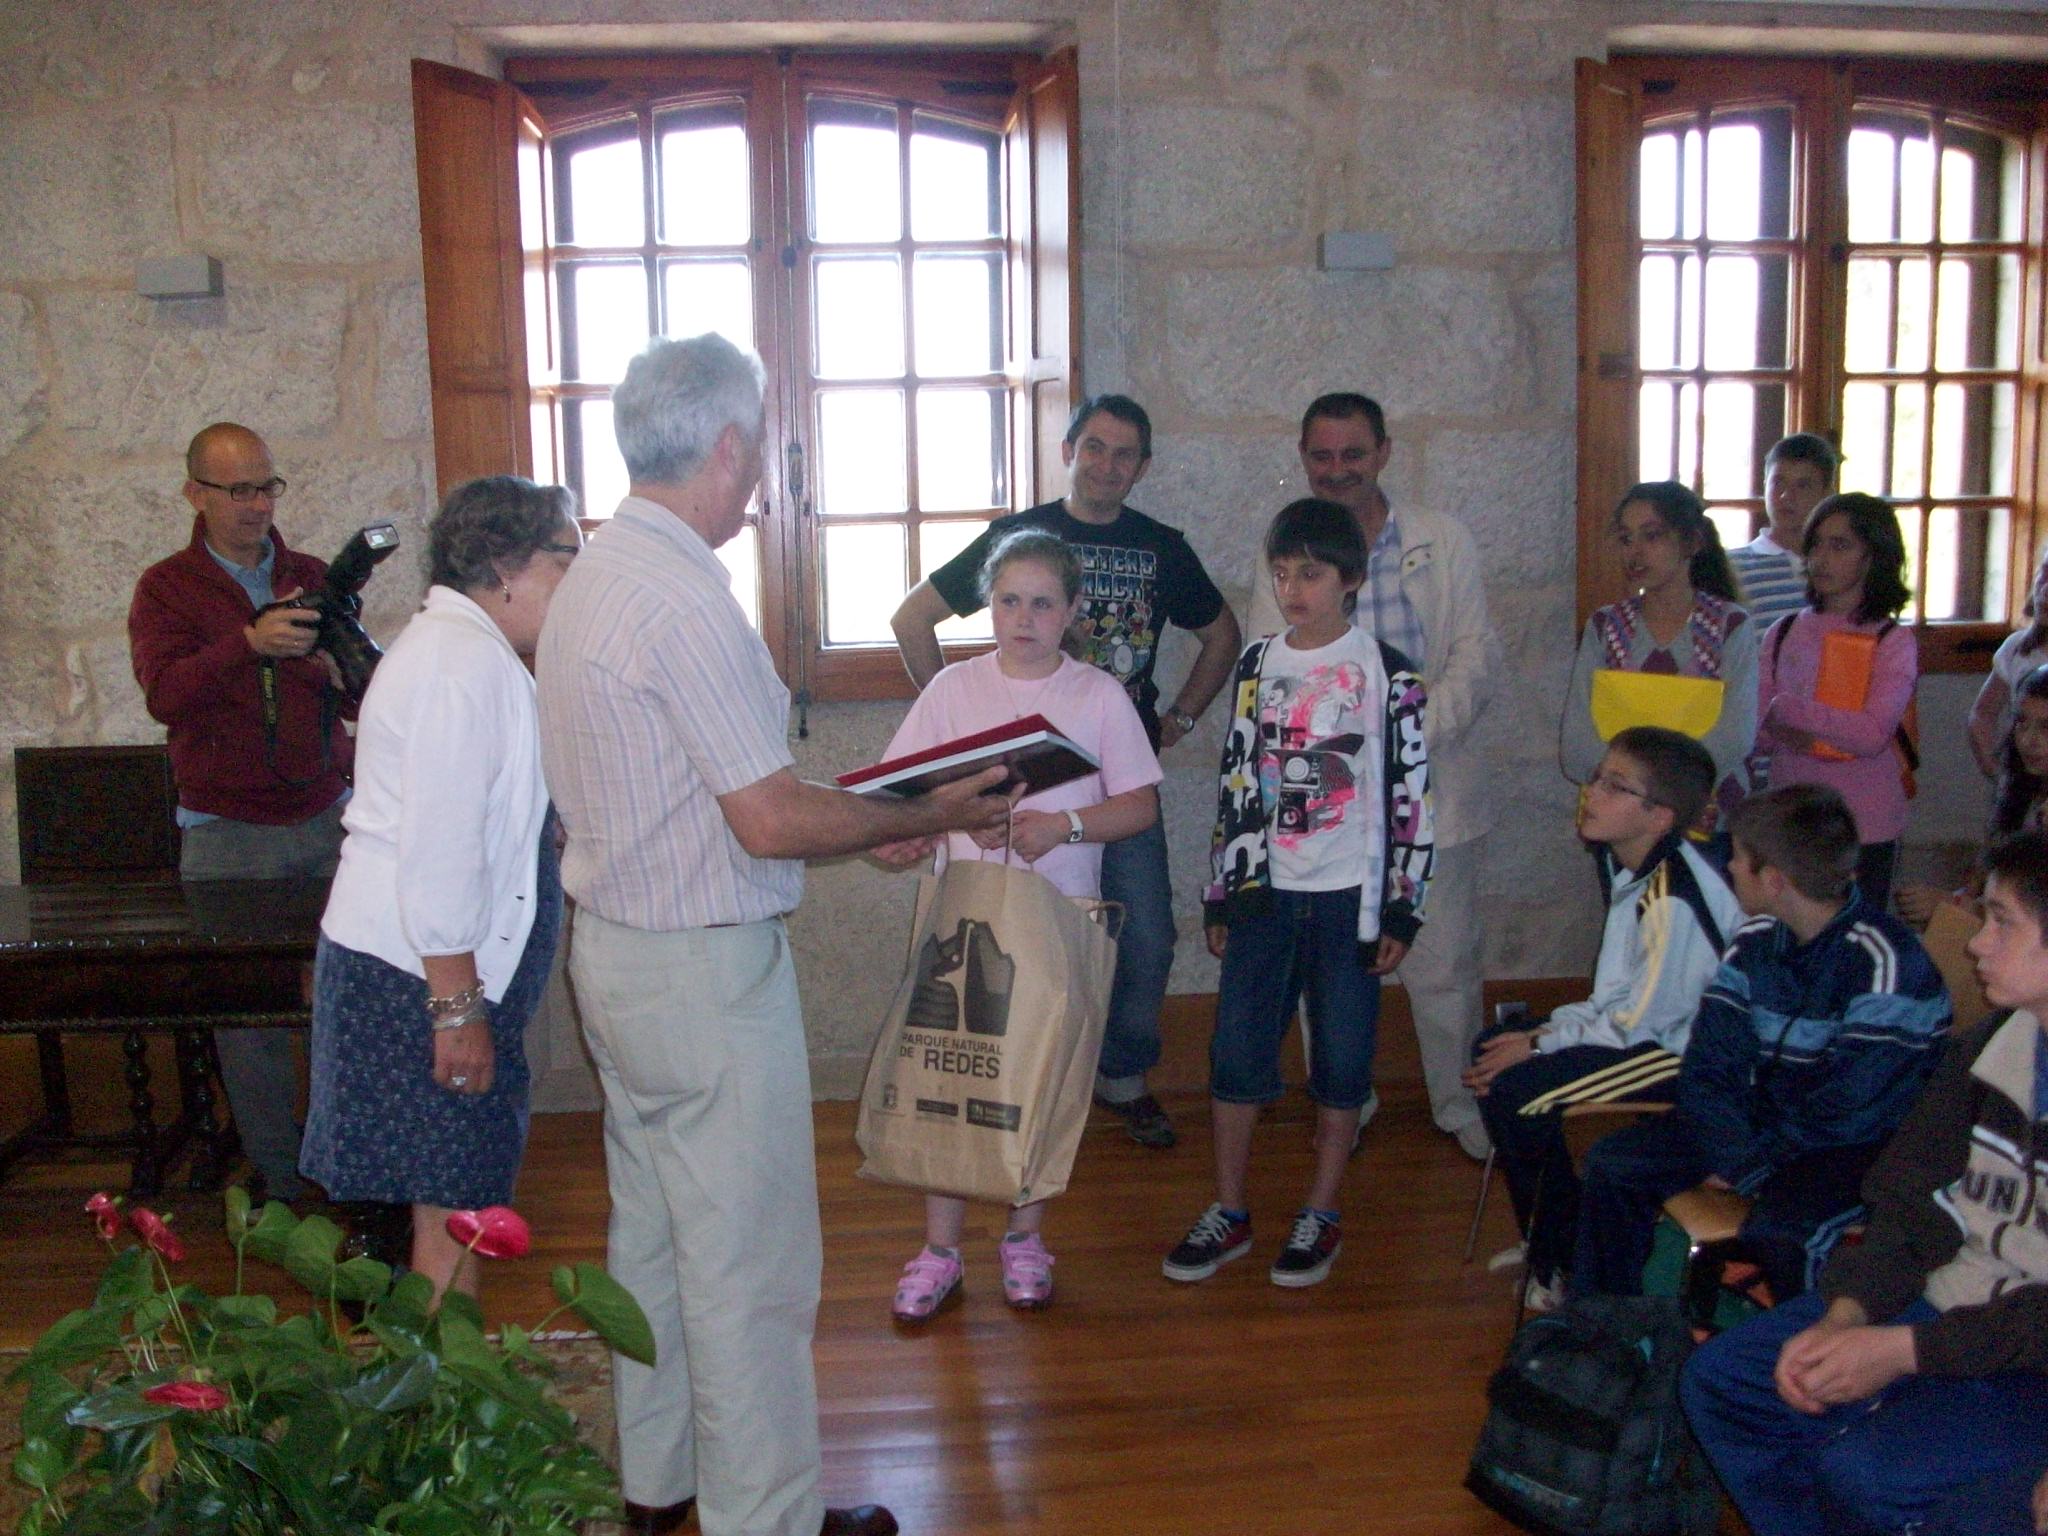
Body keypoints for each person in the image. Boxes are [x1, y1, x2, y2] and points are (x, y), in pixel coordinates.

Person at [538, 333, 1013, 1536]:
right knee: (748, 1274)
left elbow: (721, 790)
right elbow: (765, 819)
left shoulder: (596, 571)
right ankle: (767, 1522)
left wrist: (879, 815)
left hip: (620, 953)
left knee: (656, 1245)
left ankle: (659, 1490)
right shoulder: (679, 595)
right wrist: (928, 811)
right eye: (757, 448)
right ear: (726, 444)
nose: (758, 477)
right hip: (699, 974)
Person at [890, 394, 1242, 1149]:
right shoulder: (1017, 537)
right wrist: (955, 728)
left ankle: (1120, 1076)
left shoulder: (1162, 546)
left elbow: (1223, 636)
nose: (1107, 465)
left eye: (1125, 453)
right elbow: (911, 617)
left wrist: (1179, 719)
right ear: (1068, 450)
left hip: (1116, 779)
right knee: (998, 941)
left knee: (1145, 938)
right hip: (1014, 788)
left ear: (1142, 466)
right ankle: (1014, 1088)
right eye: (1095, 447)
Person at [1680, 828, 2048, 1536]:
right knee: (1729, 1383)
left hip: (2026, 1353)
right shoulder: (1986, 1052)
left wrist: (1904, 1354)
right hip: (1950, 1302)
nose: (1976, 943)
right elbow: (1906, 1205)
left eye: (2002, 922)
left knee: (1867, 1476)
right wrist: (1849, 1314)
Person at [299, 477, 580, 1301]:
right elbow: (441, 849)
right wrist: (457, 1012)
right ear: (503, 565)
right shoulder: (459, 665)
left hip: (418, 974)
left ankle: (436, 1377)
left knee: (449, 1205)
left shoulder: (471, 653)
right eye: (566, 558)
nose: (578, 579)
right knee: (452, 1213)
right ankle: (444, 1381)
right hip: (418, 981)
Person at [885, 530, 1162, 1321]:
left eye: (1043, 603)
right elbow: (906, 794)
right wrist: (914, 829)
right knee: (949, 1078)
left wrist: (1063, 827)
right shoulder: (952, 690)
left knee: (1042, 1078)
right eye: (1009, 600)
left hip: (1058, 918)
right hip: (962, 914)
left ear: (1072, 611)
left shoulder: (1099, 695)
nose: (1024, 618)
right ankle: (939, 1251)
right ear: (989, 605)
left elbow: (1139, 806)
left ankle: (1025, 1240)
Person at [1163, 497, 1433, 1289]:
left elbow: (1414, 792)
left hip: (1352, 897)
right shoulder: (1255, 665)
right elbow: (1238, 779)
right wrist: (1224, 889)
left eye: (1309, 574)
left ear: (1349, 578)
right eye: (1281, 574)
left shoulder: (1389, 671)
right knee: (1237, 1051)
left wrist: (1404, 903)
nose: (1292, 590)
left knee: (1343, 1056)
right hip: (1267, 894)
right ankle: (1230, 1208)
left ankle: (1321, 1208)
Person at [1244, 393, 1502, 1161]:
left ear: (1384, 452)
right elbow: (1271, 663)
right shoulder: (1283, 545)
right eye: (1321, 456)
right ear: (1303, 457)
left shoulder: (1442, 539)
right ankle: (1344, 1102)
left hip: (1432, 783)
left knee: (1444, 963)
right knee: (1329, 967)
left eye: (1352, 454)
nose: (1336, 470)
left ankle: (1460, 1101)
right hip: (1326, 796)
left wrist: (1406, 734)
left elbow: (1475, 655)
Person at [1571, 783, 1948, 1301]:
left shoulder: (1885, 964)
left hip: (1856, 1148)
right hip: (1766, 1129)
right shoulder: (1754, 942)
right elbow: (1709, 1068)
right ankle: (1604, 1321)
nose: (1727, 867)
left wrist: (1751, 1166)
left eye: (1737, 858)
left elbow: (1850, 1108)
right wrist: (1736, 1155)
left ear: (1773, 881)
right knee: (1615, 1165)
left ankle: (1805, 1342)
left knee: (1784, 1232)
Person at [128, 421, 354, 1205]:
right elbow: (165, 696)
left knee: (343, 1002)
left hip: (327, 818)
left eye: (268, 486)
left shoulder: (311, 575)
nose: (259, 504)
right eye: (240, 490)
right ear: (195, 493)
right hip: (227, 834)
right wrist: (247, 643)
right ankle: (281, 1183)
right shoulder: (166, 587)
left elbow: (360, 693)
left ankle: (345, 1171)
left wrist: (340, 671)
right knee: (247, 1020)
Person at [1463, 727, 1742, 1311]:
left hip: (1688, 1059)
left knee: (1520, 1092)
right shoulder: (1630, 866)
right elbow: (1613, 997)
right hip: (1644, 1031)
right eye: (1598, 778)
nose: (1592, 793)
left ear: (1659, 816)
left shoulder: (1673, 897)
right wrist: (1540, 1034)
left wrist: (1540, 1046)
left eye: (1617, 787)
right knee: (1495, 1047)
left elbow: (1641, 1027)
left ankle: (1563, 1262)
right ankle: (1551, 1241)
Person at [1756, 491, 1918, 911]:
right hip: (1792, 820)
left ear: (1872, 556)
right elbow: (1757, 734)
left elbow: (1870, 734)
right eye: (1816, 545)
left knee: (1855, 940)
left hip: (1864, 827)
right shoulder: (1783, 631)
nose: (1822, 559)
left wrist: (1790, 712)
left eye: (1840, 545)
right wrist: (1794, 728)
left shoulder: (1893, 640)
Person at [1559, 481, 1756, 818]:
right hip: (1620, 817)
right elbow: (1577, 744)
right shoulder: (1606, 627)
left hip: (1705, 813)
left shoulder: (1729, 626)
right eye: (1626, 539)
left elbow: (1735, 735)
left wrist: (1659, 793)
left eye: (1651, 536)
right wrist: (1632, 795)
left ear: (1692, 542)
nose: (1635, 552)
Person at [1900, 661, 2048, 929]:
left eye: (2045, 727)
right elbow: (1987, 879)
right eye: (2021, 723)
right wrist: (1960, 900)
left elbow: (2035, 911)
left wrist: (1954, 905)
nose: (2029, 740)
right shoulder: (2020, 789)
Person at [1729, 433, 1838, 634]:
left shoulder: (1840, 567)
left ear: (1827, 494)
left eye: (1803, 485)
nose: (1786, 496)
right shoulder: (1731, 567)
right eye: (1778, 482)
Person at [1968, 545, 2048, 778]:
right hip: (2025, 784)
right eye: (2044, 574)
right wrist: (1999, 774)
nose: (2045, 589)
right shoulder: (2018, 648)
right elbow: (1982, 715)